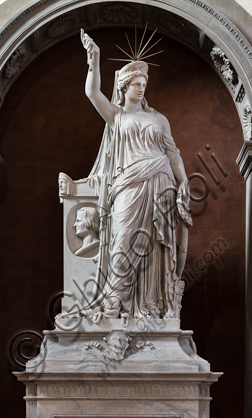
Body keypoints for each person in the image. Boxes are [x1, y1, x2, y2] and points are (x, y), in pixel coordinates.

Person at [80, 30, 191, 320]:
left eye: (144, 84)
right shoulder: (117, 116)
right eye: (136, 84)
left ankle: (152, 306)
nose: (141, 89)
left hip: (161, 180)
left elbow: (173, 152)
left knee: (155, 244)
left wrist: (184, 181)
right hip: (128, 183)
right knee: (124, 237)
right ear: (124, 86)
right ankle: (116, 299)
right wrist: (94, 61)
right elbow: (92, 93)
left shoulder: (159, 118)